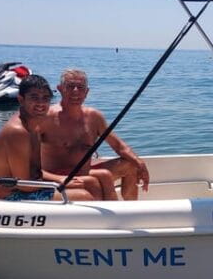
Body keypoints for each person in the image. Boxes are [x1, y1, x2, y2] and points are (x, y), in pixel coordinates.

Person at [0, 74, 101, 202]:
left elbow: (35, 171)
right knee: (84, 196)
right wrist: (58, 183)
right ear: (21, 99)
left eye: (45, 98)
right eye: (34, 97)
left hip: (28, 187)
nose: (41, 103)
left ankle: (111, 213)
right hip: (11, 195)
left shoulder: (34, 125)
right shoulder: (18, 131)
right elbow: (24, 185)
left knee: (91, 182)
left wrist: (60, 179)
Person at [39, 69, 149, 200]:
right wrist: (59, 179)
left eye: (80, 87)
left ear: (86, 92)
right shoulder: (46, 118)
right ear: (60, 89)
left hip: (85, 173)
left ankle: (131, 208)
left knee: (130, 165)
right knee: (99, 179)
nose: (75, 91)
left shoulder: (94, 117)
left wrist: (140, 163)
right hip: (57, 178)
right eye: (70, 86)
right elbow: (28, 163)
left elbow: (119, 146)